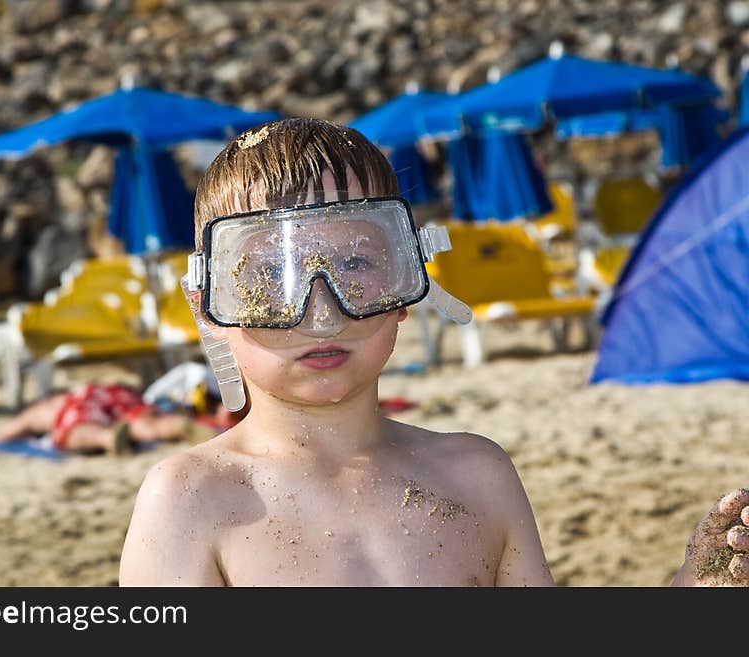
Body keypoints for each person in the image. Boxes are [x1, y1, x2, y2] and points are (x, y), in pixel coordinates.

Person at [119, 118, 748, 587]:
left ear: (408, 281)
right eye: (269, 277)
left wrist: (691, 589)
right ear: (208, 304)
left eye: (358, 264)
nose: (322, 309)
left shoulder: (477, 476)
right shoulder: (191, 499)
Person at [0, 371, 247, 456]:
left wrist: (4, 436)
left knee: (74, 430)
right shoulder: (106, 388)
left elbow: (8, 432)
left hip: (78, 410)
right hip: (124, 396)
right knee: (143, 420)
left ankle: (106, 438)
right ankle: (173, 426)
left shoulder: (53, 406)